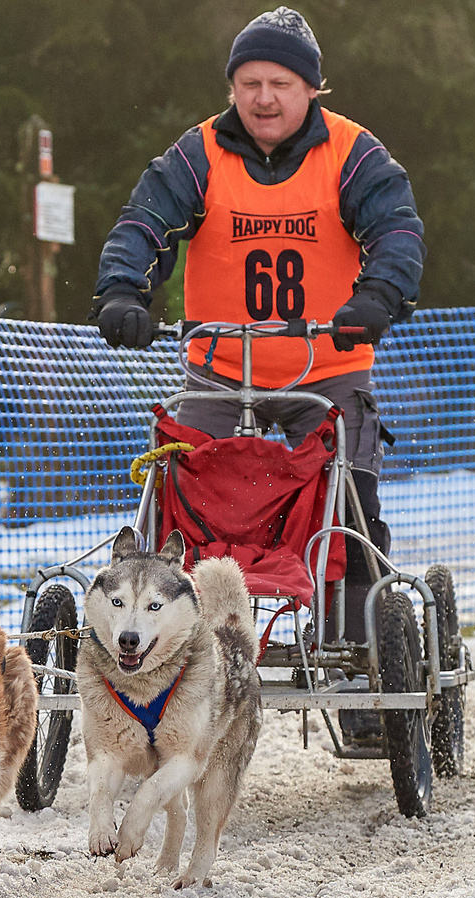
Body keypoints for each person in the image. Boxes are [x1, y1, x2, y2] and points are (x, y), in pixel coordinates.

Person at [91, 6, 425, 652]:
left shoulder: (353, 153)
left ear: (311, 90)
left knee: (350, 512)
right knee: (177, 506)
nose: (264, 98)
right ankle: (173, 656)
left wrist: (380, 293)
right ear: (232, 89)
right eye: (250, 83)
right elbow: (144, 224)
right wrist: (123, 291)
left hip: (326, 367)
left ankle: (357, 664)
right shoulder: (200, 154)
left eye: (280, 83)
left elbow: (397, 230)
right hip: (219, 368)